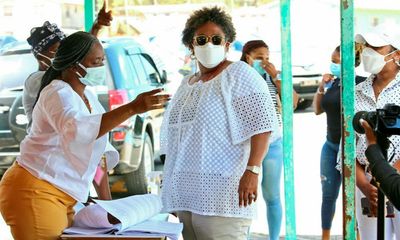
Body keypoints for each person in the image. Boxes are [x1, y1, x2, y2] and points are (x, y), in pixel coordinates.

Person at [0, 31, 170, 240]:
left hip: (63, 195)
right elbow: (79, 131)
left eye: (102, 61)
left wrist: (108, 206)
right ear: (74, 65)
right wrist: (132, 108)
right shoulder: (56, 93)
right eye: (96, 62)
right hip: (35, 191)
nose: (100, 68)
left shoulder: (87, 96)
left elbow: (98, 157)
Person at [159, 7, 278, 240]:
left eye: (216, 39)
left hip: (224, 193)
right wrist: (172, 189)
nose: (209, 45)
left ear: (227, 43)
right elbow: (177, 141)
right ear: (191, 45)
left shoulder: (240, 75)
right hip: (188, 195)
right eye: (201, 39)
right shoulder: (187, 84)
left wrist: (252, 171)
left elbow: (262, 126)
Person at [240, 39, 298, 240]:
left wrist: (277, 76)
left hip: (273, 143)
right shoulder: (239, 77)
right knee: (244, 196)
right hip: (245, 146)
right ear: (248, 57)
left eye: (267, 58)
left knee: (272, 195)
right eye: (259, 58)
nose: (264, 62)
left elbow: (293, 102)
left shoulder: (272, 79)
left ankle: (273, 238)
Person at [24, 1, 112, 132]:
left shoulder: (74, 79)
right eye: (57, 50)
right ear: (40, 56)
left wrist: (96, 27)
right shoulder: (38, 81)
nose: (63, 53)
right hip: (50, 150)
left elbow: (81, 53)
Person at [312, 44, 365, 239]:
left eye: (336, 62)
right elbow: (317, 110)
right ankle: (325, 236)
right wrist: (321, 87)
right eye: (332, 61)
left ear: (349, 63)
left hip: (352, 149)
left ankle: (356, 235)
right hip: (330, 146)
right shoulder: (333, 83)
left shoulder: (361, 84)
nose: (332, 65)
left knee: (353, 196)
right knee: (328, 195)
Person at [354, 25, 400, 239]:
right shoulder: (355, 92)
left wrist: (389, 177)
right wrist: (363, 183)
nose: (368, 53)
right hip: (366, 182)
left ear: (396, 54)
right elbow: (345, 144)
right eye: (367, 47)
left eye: (377, 48)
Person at [360, 119, 400, 211]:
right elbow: (348, 153)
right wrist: (365, 186)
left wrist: (372, 145)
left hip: (389, 177)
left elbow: (397, 192)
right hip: (371, 178)